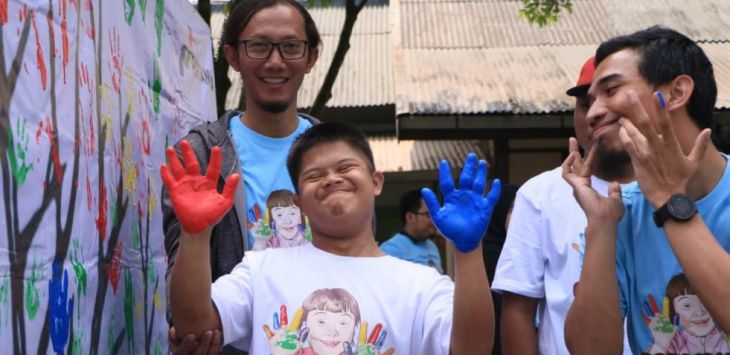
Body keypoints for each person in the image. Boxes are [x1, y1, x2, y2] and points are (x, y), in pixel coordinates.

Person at [162, 121, 501, 354]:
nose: (331, 179)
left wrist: (468, 252)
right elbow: (192, 326)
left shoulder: (423, 284)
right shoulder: (260, 269)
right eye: (314, 175)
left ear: (377, 181)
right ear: (299, 203)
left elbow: (471, 349)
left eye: (345, 168)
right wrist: (195, 233)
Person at [162, 0, 321, 350]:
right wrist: (192, 325)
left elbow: (359, 256)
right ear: (233, 56)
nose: (275, 61)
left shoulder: (336, 153)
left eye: (291, 46)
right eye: (259, 46)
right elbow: (181, 282)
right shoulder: (202, 155)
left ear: (311, 57)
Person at [562, 26, 730, 354]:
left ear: (678, 92)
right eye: (591, 100)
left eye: (611, 90)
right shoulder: (620, 213)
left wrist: (671, 202)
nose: (593, 113)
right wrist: (600, 228)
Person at [492, 56, 634, 355]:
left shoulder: (672, 184)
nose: (595, 113)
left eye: (610, 97)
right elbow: (518, 309)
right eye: (585, 104)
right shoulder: (539, 194)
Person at [379, 189, 444, 273]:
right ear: (410, 217)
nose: (433, 221)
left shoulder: (432, 246)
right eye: (428, 215)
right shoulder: (391, 250)